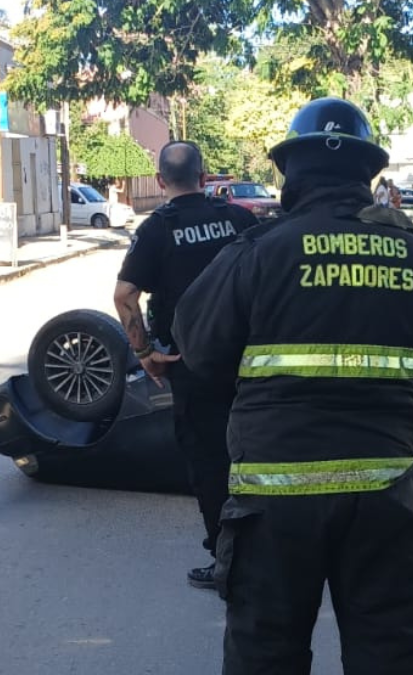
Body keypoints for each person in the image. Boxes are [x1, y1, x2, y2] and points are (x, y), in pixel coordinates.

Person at [173, 97, 413, 675]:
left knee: (266, 655)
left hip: (274, 504)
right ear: (367, 174)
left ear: (290, 174)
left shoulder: (257, 253)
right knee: (390, 654)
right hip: (384, 499)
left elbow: (197, 349)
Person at [113, 141, 259, 590]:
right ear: (204, 176)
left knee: (209, 462)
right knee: (257, 454)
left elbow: (125, 296)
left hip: (192, 365)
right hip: (251, 364)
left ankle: (226, 559)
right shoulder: (239, 219)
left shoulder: (157, 229)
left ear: (160, 180)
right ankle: (268, 548)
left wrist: (145, 353)